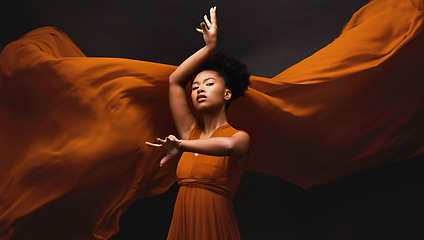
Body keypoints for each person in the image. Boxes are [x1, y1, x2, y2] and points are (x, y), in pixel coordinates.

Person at [146, 6, 251, 240]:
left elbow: (227, 147)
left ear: (227, 94)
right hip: (182, 225)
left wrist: (181, 146)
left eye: (209, 84)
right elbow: (174, 81)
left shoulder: (239, 138)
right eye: (194, 87)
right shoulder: (190, 133)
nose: (199, 89)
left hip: (214, 227)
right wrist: (208, 48)